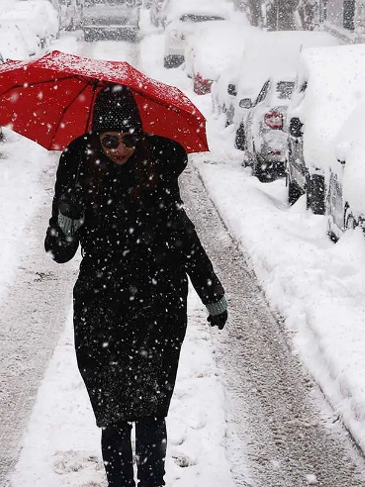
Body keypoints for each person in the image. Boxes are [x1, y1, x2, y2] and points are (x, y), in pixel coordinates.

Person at [44, 83, 228, 487]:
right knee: (112, 410)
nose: (121, 149)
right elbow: (59, 252)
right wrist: (68, 217)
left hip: (157, 304)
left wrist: (212, 293)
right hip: (101, 307)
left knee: (149, 408)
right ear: (97, 138)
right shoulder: (77, 173)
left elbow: (185, 239)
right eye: (110, 139)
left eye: (129, 138)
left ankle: (151, 481)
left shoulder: (159, 172)